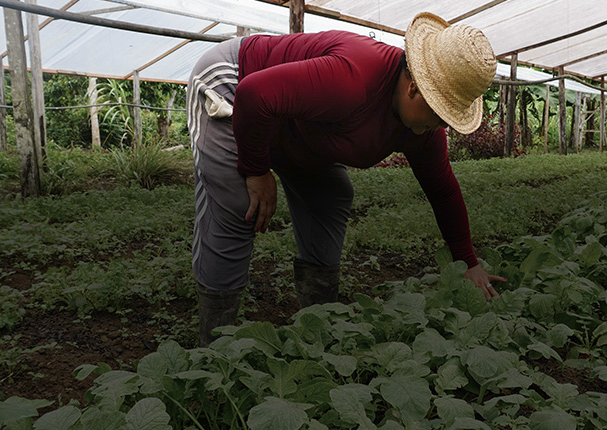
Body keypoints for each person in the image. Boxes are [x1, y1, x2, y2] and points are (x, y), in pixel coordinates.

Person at [187, 12, 506, 346]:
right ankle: (214, 346)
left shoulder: (424, 131)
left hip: (287, 118)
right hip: (234, 84)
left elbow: (442, 190)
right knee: (239, 203)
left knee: (331, 193)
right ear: (414, 87)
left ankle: (318, 327)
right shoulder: (354, 78)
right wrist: (256, 170)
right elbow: (255, 94)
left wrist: (468, 262)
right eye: (439, 114)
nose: (439, 127)